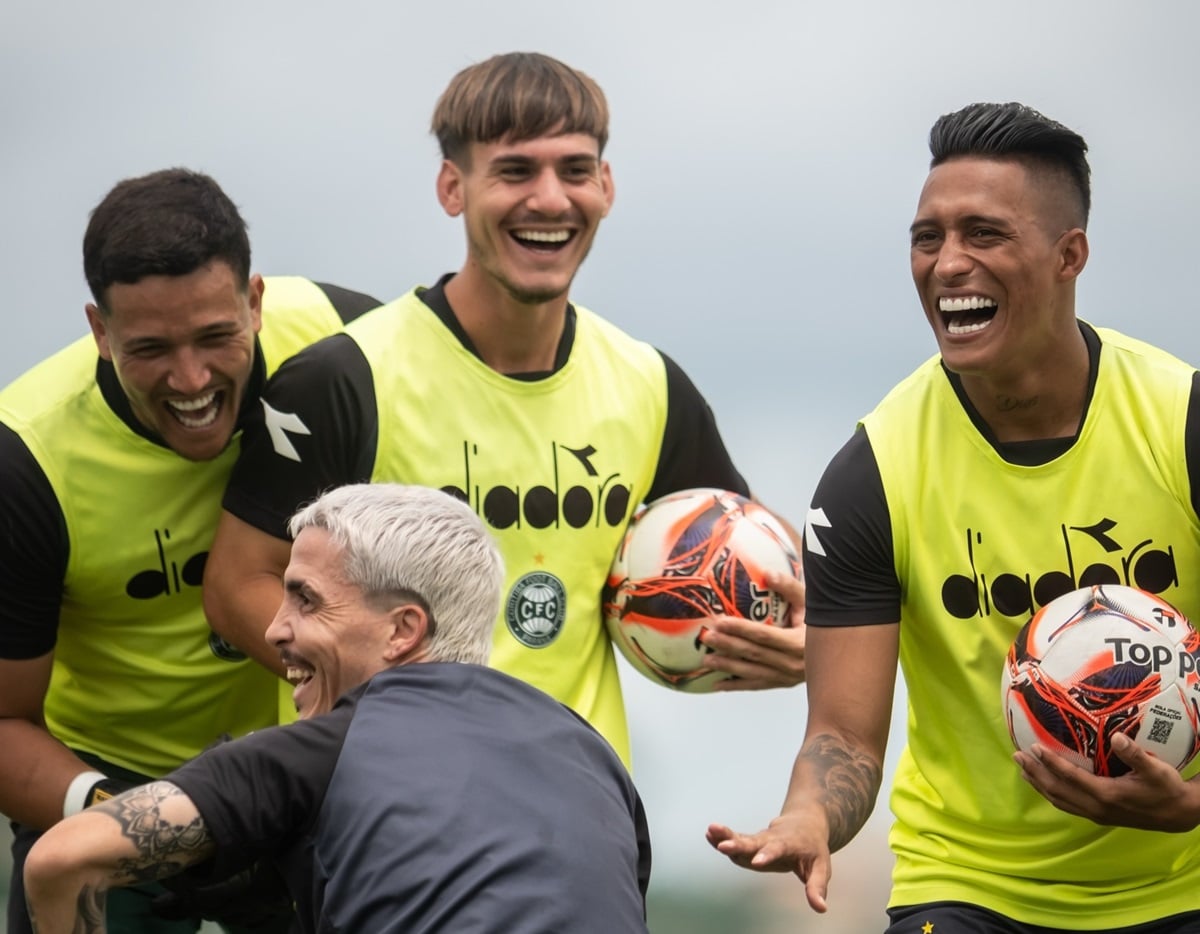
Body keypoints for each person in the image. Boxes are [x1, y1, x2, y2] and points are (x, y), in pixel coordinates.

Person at [201, 50, 807, 768]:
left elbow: (758, 559)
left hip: (579, 798)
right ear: (452, 187)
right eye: (515, 172)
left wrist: (805, 642)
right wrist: (381, 704)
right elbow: (237, 585)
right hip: (380, 796)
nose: (549, 200)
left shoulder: (649, 383)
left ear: (606, 186)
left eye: (575, 170)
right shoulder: (344, 378)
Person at [707, 102, 1200, 932]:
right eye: (927, 238)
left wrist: (1192, 803)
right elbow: (844, 737)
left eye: (985, 234)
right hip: (968, 886)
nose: (948, 263)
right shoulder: (874, 472)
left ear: (1069, 255)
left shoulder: (1181, 423)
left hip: (1182, 887)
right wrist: (808, 817)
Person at [0, 168, 380, 932]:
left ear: (256, 301)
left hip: (304, 775)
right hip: (113, 779)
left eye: (215, 336)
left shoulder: (351, 347)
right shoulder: (24, 461)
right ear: (99, 331)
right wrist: (146, 824)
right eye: (150, 349)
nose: (192, 379)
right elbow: (4, 725)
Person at [23, 482, 653, 933]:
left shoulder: (324, 750)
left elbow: (61, 860)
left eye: (306, 601)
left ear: (402, 630)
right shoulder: (590, 753)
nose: (274, 629)